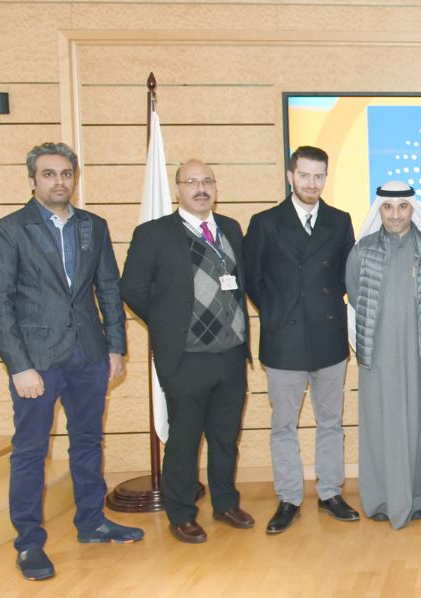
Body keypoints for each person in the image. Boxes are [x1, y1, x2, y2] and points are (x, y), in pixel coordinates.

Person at [0, 142, 142, 580]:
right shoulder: (7, 231)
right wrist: (19, 366)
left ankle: (92, 522)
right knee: (31, 452)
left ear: (75, 178)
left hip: (89, 355)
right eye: (49, 174)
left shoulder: (94, 225)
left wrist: (115, 348)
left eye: (66, 173)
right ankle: (29, 543)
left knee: (88, 443)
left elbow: (108, 289)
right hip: (36, 362)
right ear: (32, 180)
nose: (59, 181)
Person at [121, 159, 255, 544]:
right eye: (192, 181)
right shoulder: (154, 234)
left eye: (207, 181)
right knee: (184, 441)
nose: (201, 188)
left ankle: (225, 504)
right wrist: (169, 322)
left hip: (230, 355)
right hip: (186, 358)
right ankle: (180, 513)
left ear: (216, 187)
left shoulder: (230, 228)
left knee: (225, 438)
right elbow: (132, 289)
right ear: (178, 188)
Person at [243, 145, 359, 534]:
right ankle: (289, 498)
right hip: (283, 339)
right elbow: (252, 279)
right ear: (290, 176)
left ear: (326, 178)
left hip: (328, 337)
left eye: (319, 176)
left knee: (331, 422)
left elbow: (346, 276)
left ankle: (330, 493)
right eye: (305, 175)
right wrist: (277, 311)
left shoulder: (339, 221)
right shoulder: (265, 222)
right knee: (283, 425)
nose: (312, 183)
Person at [345, 182, 421, 529]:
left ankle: (420, 495)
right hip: (379, 355)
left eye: (403, 207)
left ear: (412, 209)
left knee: (420, 424)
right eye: (388, 207)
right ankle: (382, 497)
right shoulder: (363, 251)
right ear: (380, 210)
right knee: (379, 425)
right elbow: (355, 295)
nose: (396, 214)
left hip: (419, 353)